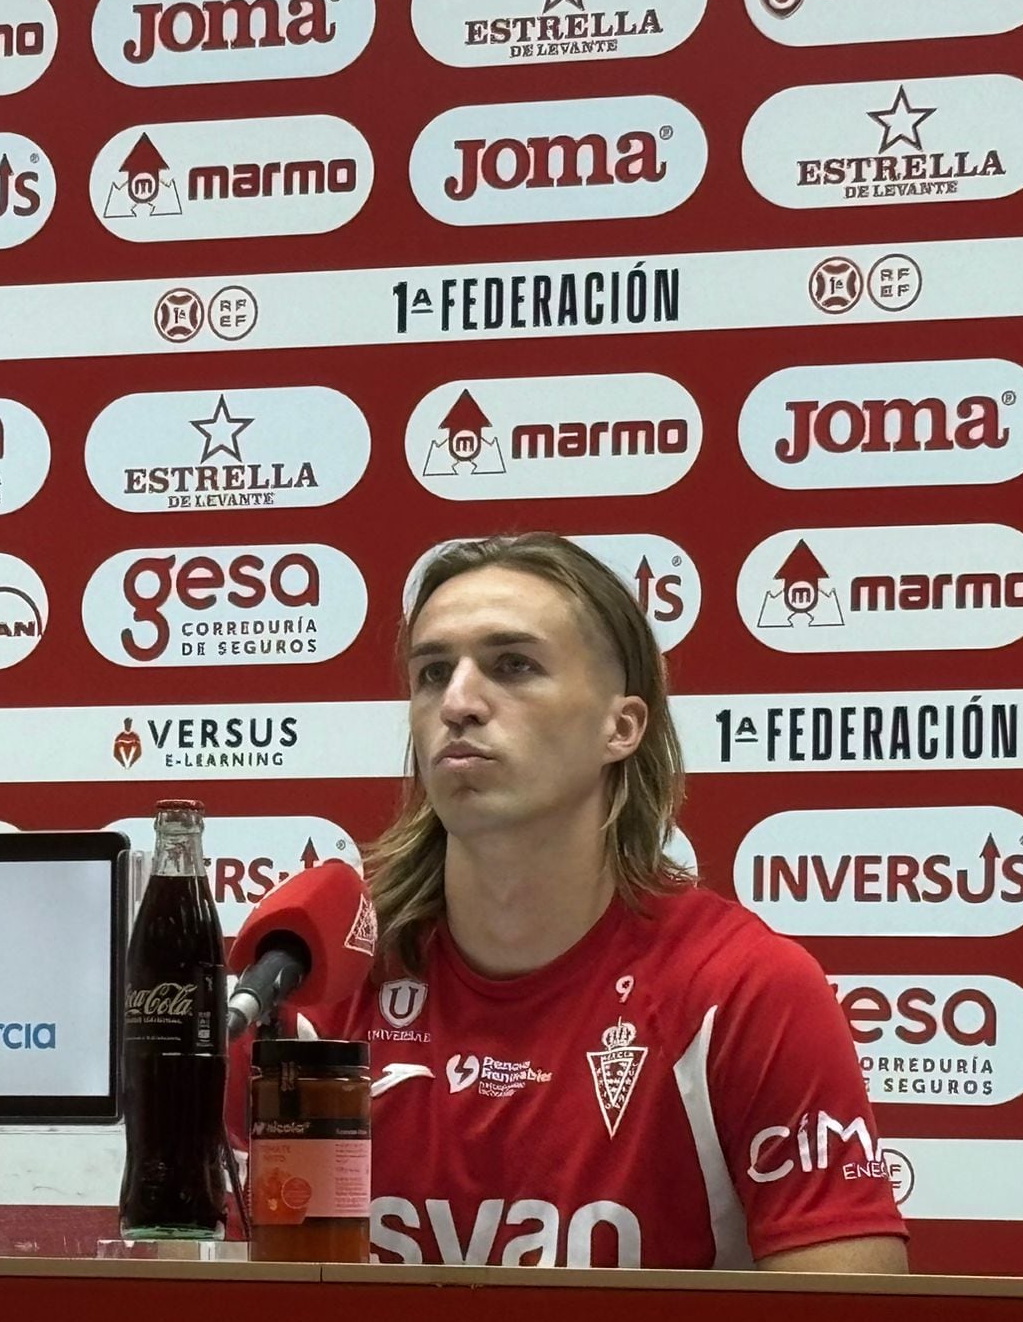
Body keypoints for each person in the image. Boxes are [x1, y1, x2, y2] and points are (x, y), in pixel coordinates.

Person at [273, 532, 908, 1270]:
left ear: (622, 727)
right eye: (432, 671)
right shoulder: (318, 986)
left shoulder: (739, 990)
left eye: (514, 665)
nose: (458, 702)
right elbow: (225, 1309)